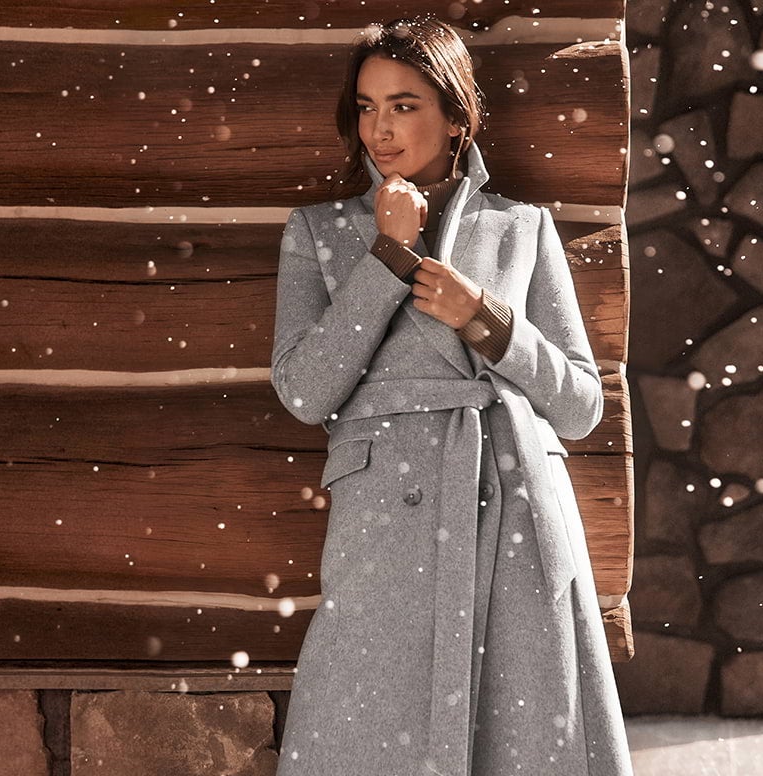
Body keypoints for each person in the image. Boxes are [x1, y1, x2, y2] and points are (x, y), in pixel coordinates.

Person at [270, 15, 633, 776]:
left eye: (403, 105)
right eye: (367, 107)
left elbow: (580, 405)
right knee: (365, 725)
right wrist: (387, 258)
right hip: (385, 522)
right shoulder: (320, 231)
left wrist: (489, 321)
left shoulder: (521, 229)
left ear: (456, 114)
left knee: (527, 731)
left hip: (514, 502)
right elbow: (305, 391)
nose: (381, 129)